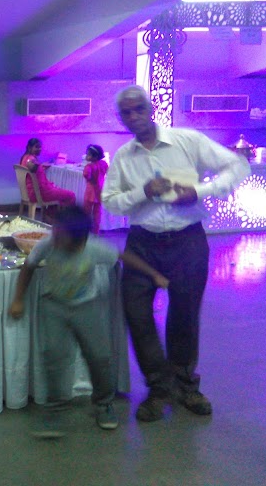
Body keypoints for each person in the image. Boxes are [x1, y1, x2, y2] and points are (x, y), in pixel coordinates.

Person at [102, 85, 250, 422]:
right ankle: (159, 387)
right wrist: (142, 192)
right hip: (142, 243)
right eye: (127, 112)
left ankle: (185, 385)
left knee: (184, 313)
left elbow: (237, 165)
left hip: (187, 241)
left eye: (139, 108)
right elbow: (110, 202)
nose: (134, 116)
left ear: (151, 109)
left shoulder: (186, 140)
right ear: (121, 118)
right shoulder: (123, 157)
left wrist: (199, 191)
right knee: (137, 314)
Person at [9, 205, 169, 437]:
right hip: (54, 306)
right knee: (54, 358)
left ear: (82, 239)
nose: (58, 242)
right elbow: (29, 266)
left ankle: (103, 404)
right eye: (57, 236)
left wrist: (154, 274)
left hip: (87, 307)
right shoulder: (48, 244)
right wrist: (18, 299)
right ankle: (54, 410)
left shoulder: (95, 247)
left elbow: (124, 257)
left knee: (100, 358)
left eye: (64, 240)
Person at [20, 138, 76, 207]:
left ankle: (51, 212)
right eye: (36, 147)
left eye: (40, 147)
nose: (39, 149)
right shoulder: (30, 159)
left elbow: (34, 170)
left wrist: (40, 166)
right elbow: (31, 165)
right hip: (40, 193)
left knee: (58, 190)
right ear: (29, 148)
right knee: (71, 195)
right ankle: (65, 214)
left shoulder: (25, 157)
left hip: (33, 192)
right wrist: (36, 164)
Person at [83, 144, 109, 234]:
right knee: (97, 212)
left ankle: (85, 229)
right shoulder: (104, 164)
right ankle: (96, 231)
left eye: (88, 154)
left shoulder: (89, 167)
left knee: (86, 211)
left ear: (95, 156)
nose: (86, 156)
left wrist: (90, 179)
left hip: (90, 191)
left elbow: (87, 176)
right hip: (100, 190)